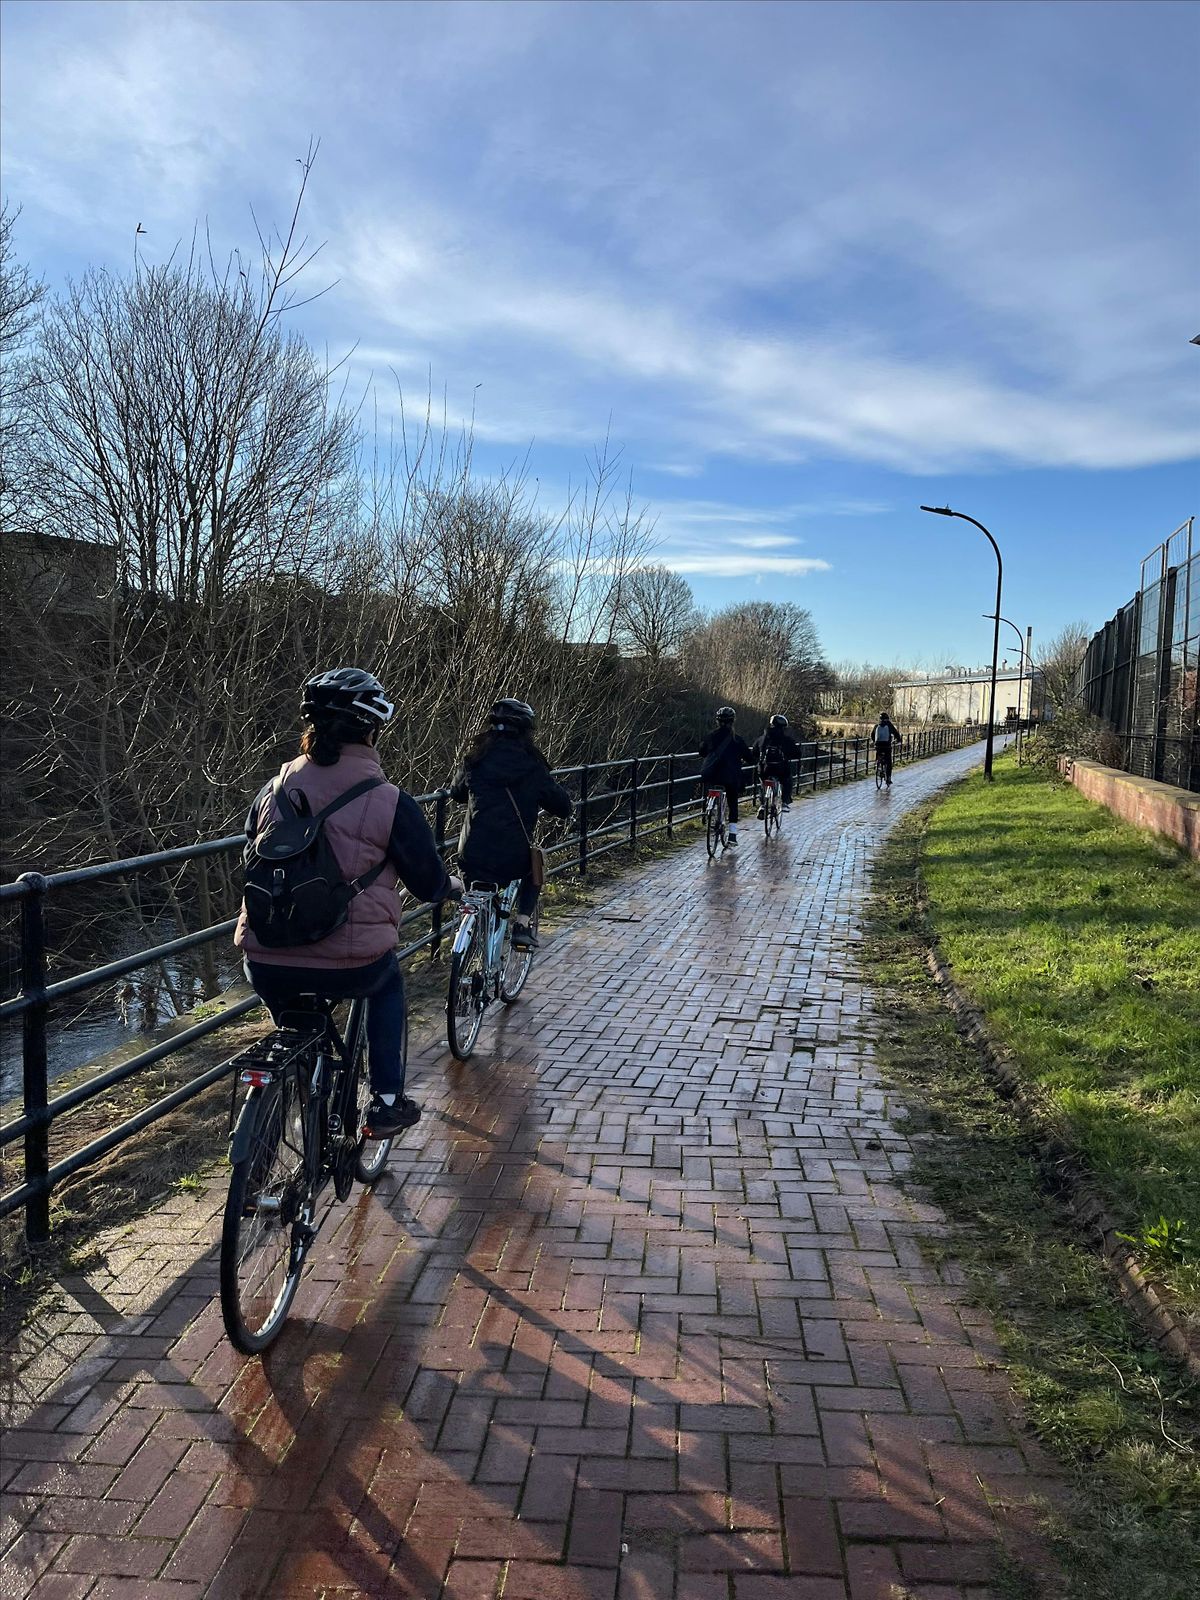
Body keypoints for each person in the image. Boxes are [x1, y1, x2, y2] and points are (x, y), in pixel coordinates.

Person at [235, 668, 460, 1138]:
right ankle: (386, 1102)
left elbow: (249, 851)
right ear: (372, 730)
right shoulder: (388, 800)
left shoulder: (271, 790)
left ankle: (285, 1109)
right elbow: (427, 882)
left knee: (299, 1029)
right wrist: (451, 889)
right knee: (387, 985)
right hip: (352, 961)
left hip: (264, 956)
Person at [449, 699, 572, 950]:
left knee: (475, 887)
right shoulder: (532, 765)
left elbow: (457, 793)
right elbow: (563, 808)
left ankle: (472, 932)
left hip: (472, 854)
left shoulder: (474, 759)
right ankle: (522, 925)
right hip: (512, 858)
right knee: (535, 865)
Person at [698, 706, 753, 845]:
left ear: (717, 721)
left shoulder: (711, 736)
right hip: (730, 776)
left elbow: (702, 752)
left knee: (711, 789)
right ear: (732, 721)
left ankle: (709, 810)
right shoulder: (737, 740)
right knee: (732, 801)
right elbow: (749, 757)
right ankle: (732, 835)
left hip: (712, 774)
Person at [753, 714, 801, 812]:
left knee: (763, 783)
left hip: (764, 769)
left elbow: (754, 752)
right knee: (787, 780)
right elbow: (797, 754)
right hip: (781, 769)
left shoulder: (762, 738)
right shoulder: (786, 740)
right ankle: (784, 802)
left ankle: (762, 804)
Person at [869, 710, 902, 786]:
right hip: (887, 746)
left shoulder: (877, 726)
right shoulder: (889, 725)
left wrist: (875, 741)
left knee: (879, 754)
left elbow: (872, 735)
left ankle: (877, 764)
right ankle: (888, 778)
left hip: (878, 746)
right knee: (889, 762)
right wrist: (898, 740)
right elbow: (896, 733)